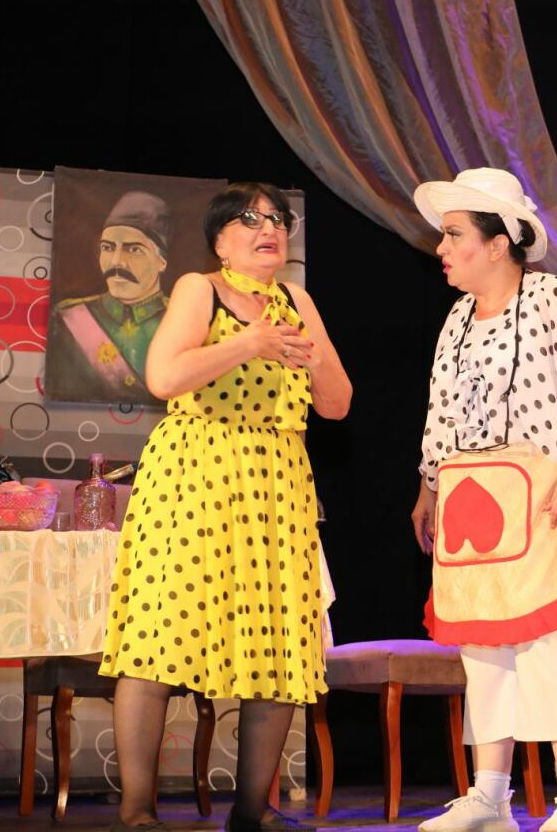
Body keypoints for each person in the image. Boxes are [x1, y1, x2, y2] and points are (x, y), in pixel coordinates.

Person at [99, 182, 351, 832]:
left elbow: (337, 403)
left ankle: (252, 810)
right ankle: (138, 810)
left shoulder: (297, 301)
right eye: (250, 219)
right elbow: (164, 377)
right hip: (196, 476)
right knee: (159, 636)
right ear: (219, 240)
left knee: (275, 645)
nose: (269, 228)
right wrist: (248, 343)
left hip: (276, 482)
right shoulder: (198, 288)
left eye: (277, 219)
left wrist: (309, 351)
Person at [410, 168, 557, 832]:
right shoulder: (456, 320)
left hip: (548, 491)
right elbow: (441, 409)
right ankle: (490, 798)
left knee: (553, 645)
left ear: (498, 244)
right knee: (484, 649)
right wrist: (429, 485)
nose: (442, 248)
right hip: (473, 497)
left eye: (454, 235)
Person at [49, 190, 174, 404]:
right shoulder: (68, 318)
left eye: (133, 250)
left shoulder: (181, 320)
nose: (116, 262)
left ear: (161, 261)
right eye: (107, 248)